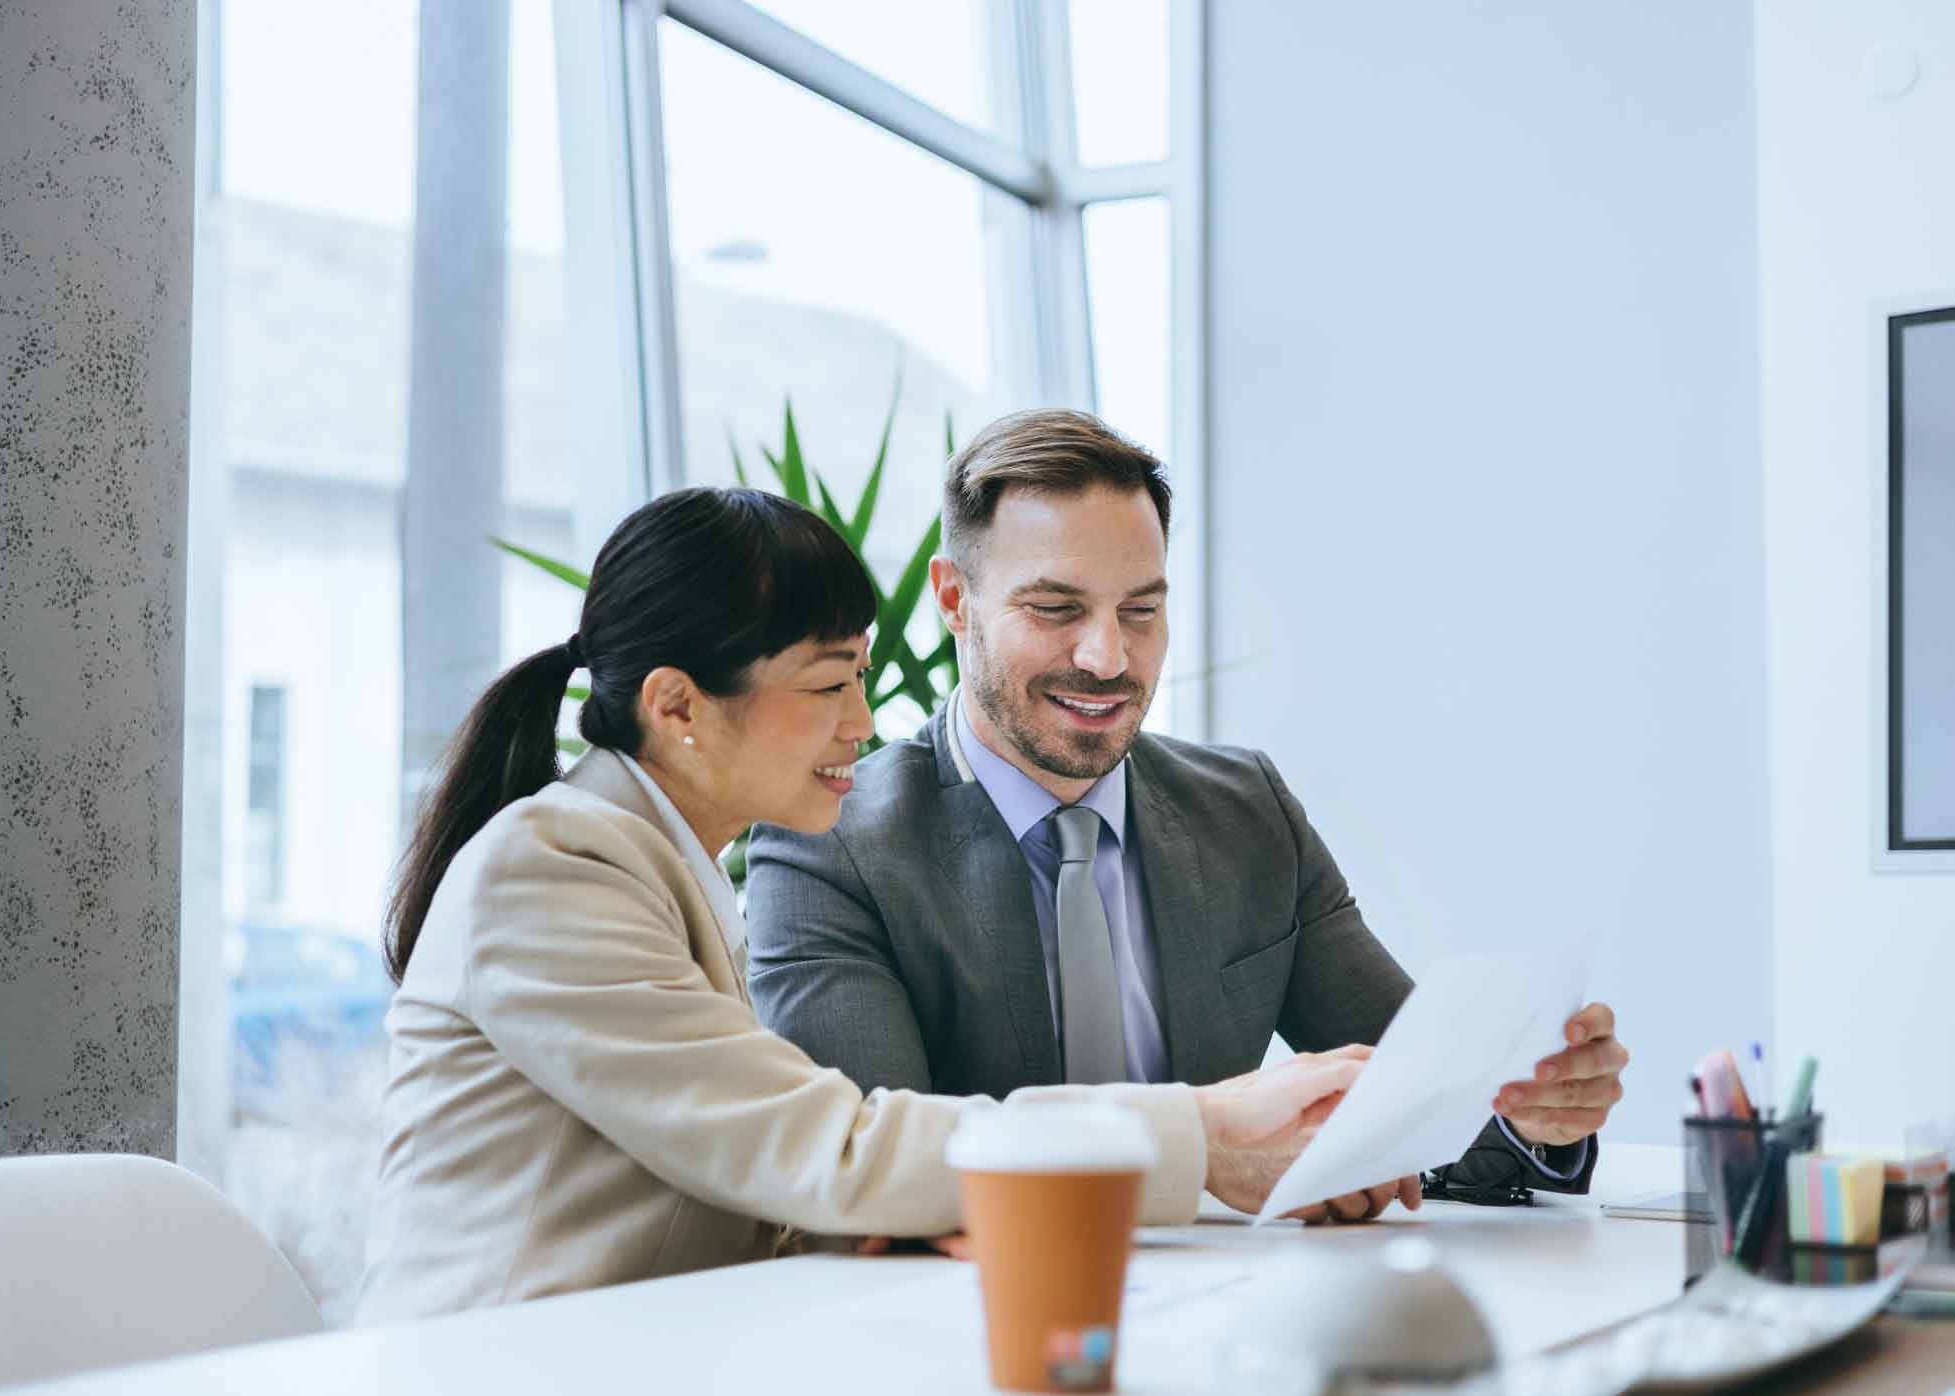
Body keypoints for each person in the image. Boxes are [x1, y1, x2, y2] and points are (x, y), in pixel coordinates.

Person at [354, 486, 1377, 1325]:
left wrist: (912, 1211)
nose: (863, 721)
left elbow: (790, 1172)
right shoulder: (554, 870)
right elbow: (823, 1147)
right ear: (677, 708)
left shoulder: (655, 862)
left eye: (862, 678)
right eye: (826, 685)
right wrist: (1201, 1130)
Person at [744, 411, 1630, 1223]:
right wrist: (1198, 1149)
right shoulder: (830, 846)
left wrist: (1533, 1108)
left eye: (1142, 610)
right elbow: (869, 1175)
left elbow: (1421, 1104)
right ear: (953, 601)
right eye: (1054, 609)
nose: (1107, 657)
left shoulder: (1245, 812)